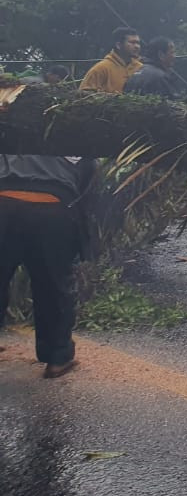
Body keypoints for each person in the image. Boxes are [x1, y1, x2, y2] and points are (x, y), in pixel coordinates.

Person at [0, 154, 96, 378]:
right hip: (52, 209)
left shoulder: (14, 129)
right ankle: (57, 358)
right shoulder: (77, 135)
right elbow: (86, 186)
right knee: (52, 285)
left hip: (3, 202)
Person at [79, 27, 142, 93]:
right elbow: (84, 94)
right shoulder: (101, 68)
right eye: (132, 42)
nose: (137, 46)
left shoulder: (140, 68)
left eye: (138, 43)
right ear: (118, 45)